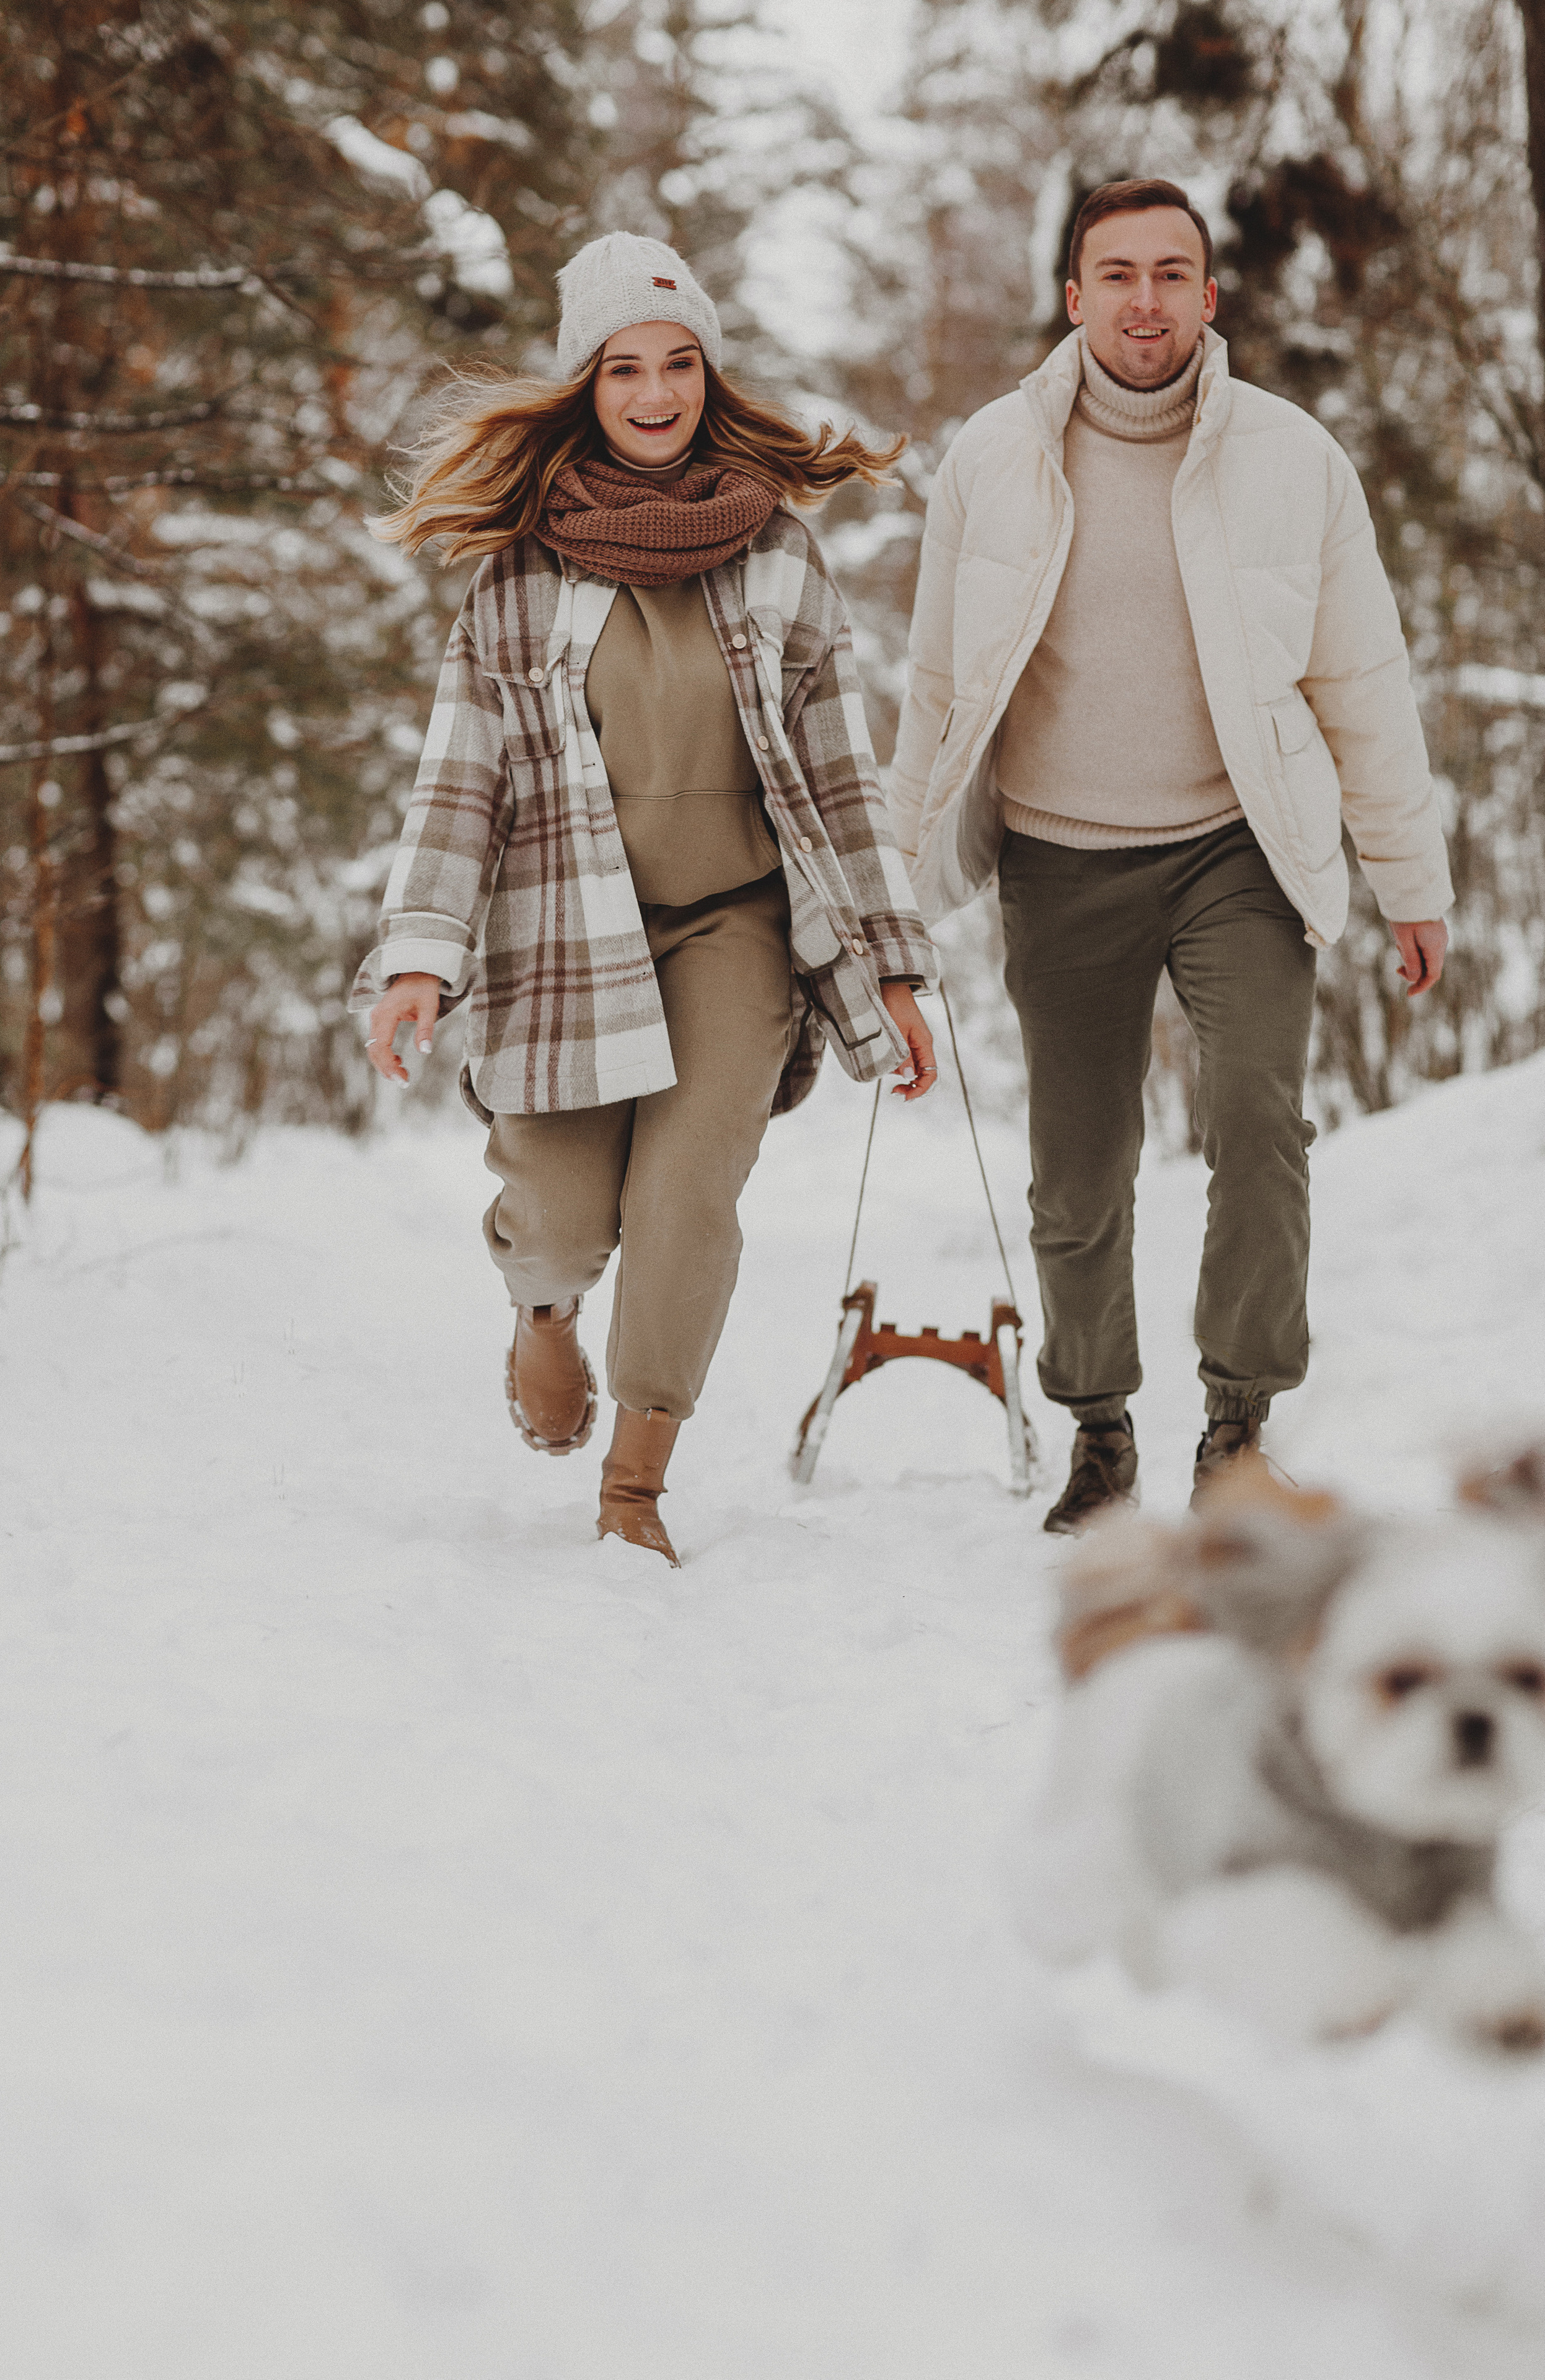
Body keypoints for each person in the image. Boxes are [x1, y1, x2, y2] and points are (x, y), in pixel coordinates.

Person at [353, 233, 938, 1566]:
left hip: (732, 927)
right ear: (586, 384)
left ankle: (634, 1490)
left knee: (688, 1198)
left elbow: (842, 780)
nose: (657, 390)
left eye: (680, 363)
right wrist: (418, 959)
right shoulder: (518, 576)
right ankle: (543, 1314)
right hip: (565, 927)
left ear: (709, 375)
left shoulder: (778, 555)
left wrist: (891, 971)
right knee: (562, 1216)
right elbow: (458, 790)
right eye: (626, 367)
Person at [889, 177, 1453, 1533]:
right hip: (1058, 855)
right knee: (1077, 1168)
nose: (1143, 300)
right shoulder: (990, 458)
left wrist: (1407, 879)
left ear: (1209, 296)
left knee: (1258, 1118)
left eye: (1169, 274)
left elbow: (1360, 682)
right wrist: (887, 918)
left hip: (1235, 848)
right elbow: (935, 686)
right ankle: (1095, 1429)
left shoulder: (1290, 458)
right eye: (1115, 274)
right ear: (1072, 298)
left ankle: (1239, 1426)